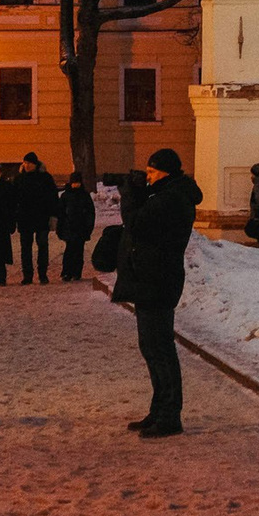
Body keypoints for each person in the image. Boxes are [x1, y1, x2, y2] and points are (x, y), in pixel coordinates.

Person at [112, 148, 201, 438]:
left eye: (152, 172)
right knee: (151, 348)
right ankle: (159, 409)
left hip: (158, 280)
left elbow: (137, 224)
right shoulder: (165, 194)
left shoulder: (171, 198)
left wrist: (129, 195)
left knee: (160, 349)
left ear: (166, 172)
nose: (148, 177)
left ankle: (169, 415)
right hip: (151, 278)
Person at [14, 153, 58, 284]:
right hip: (25, 217)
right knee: (26, 248)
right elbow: (14, 198)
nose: (27, 165)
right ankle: (27, 275)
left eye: (29, 163)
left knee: (42, 246)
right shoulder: (19, 179)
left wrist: (53, 215)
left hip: (41, 217)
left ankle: (42, 274)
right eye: (25, 163)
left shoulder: (45, 178)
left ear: (35, 164)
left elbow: (53, 198)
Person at [55, 171, 96, 282]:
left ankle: (76, 272)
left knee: (78, 251)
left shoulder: (84, 195)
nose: (76, 185)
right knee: (69, 251)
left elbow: (90, 213)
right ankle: (67, 272)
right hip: (69, 228)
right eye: (74, 182)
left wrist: (88, 227)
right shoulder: (66, 196)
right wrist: (60, 228)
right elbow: (61, 214)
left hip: (81, 228)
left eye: (77, 182)